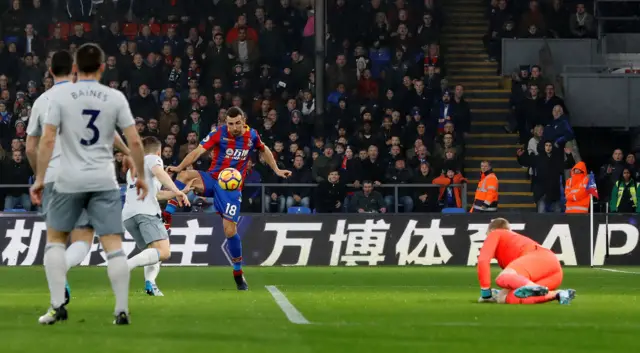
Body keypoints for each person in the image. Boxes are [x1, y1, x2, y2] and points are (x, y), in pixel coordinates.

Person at [30, 43, 148, 325]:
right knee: (112, 245)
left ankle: (58, 305)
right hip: (103, 179)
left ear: (75, 68)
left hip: (67, 179)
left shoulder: (59, 98)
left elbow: (44, 141)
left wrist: (40, 178)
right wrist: (139, 171)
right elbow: (132, 140)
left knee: (56, 242)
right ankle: (121, 310)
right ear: (103, 67)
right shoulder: (114, 97)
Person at [163, 106, 291, 290]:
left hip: (230, 189)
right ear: (226, 123)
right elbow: (198, 151)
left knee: (230, 231)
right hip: (213, 178)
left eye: (237, 123)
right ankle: (167, 216)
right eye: (230, 124)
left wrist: (277, 169)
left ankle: (238, 272)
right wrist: (178, 166)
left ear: (243, 120)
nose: (234, 127)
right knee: (184, 175)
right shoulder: (218, 133)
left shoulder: (252, 135)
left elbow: (265, 150)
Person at [122, 136, 193, 296]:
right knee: (164, 251)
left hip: (129, 216)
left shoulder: (132, 170)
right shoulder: (152, 158)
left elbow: (157, 194)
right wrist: (177, 191)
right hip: (146, 213)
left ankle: (151, 284)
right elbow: (158, 172)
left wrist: (179, 193)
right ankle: (125, 267)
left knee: (153, 252)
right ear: (159, 152)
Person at [476, 218, 576, 305]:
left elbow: (483, 260)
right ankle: (558, 294)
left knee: (502, 278)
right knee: (504, 297)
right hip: (554, 273)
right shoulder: (512, 241)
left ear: (492, 230)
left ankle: (532, 287)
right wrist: (498, 293)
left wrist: (485, 293)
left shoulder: (496, 233)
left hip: (539, 257)